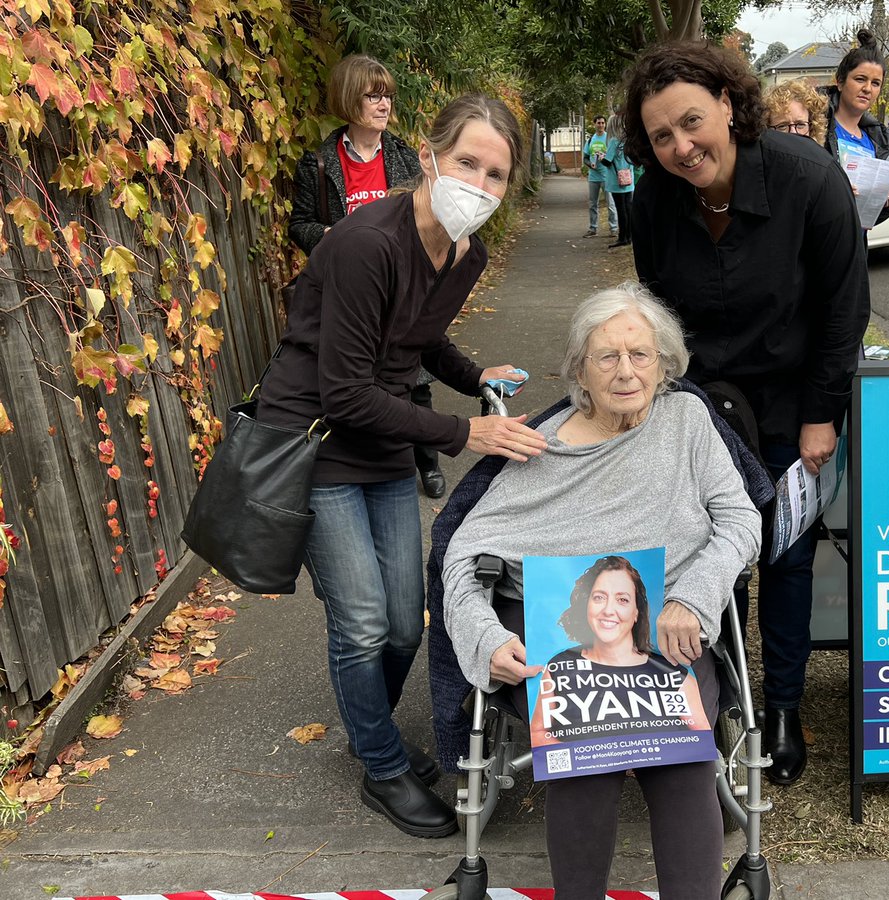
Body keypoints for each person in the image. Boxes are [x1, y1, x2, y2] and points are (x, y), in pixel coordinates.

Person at [258, 93, 548, 838]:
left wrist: (478, 375)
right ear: (428, 156)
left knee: (405, 626)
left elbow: (417, 338)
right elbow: (345, 390)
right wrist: (466, 430)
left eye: (495, 174)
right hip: (317, 437)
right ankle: (382, 766)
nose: (479, 186)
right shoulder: (366, 242)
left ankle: (369, 732)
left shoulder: (466, 252)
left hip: (383, 438)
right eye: (466, 164)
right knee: (360, 624)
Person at [442, 283, 761, 899]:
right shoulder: (541, 449)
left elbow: (741, 519)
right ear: (578, 371)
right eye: (606, 357)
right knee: (583, 767)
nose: (626, 372)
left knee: (686, 763)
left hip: (667, 624)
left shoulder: (688, 421)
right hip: (559, 636)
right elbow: (461, 550)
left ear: (664, 364)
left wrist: (693, 596)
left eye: (641, 355)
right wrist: (484, 638)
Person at [624, 40, 870, 786]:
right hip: (702, 410)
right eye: (661, 135)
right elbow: (657, 310)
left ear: (730, 104)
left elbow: (843, 310)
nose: (681, 146)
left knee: (786, 558)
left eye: (691, 122)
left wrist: (822, 416)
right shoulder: (656, 198)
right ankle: (720, 698)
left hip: (795, 405)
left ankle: (784, 706)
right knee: (708, 556)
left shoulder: (810, 181)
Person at [287, 54, 447, 498]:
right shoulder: (319, 164)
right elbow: (299, 224)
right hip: (350, 292)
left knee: (413, 380)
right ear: (348, 98)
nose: (383, 104)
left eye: (387, 96)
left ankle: (428, 462)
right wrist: (334, 235)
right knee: (362, 383)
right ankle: (359, 462)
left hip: (400, 287)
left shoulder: (401, 156)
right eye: (372, 95)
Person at [529, 556, 708, 745]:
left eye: (622, 600)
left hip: (667, 759)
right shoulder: (560, 668)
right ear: (586, 605)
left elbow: (700, 739)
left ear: (637, 611)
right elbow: (539, 733)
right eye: (599, 597)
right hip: (585, 764)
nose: (608, 610)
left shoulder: (672, 673)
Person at [821, 30, 889, 225]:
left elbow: (863, 217)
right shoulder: (816, 127)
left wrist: (885, 202)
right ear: (840, 82)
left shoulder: (876, 140)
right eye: (860, 79)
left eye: (875, 83)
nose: (867, 89)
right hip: (816, 246)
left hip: (856, 249)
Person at [599, 114, 635, 248]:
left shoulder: (614, 141)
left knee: (621, 210)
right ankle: (630, 236)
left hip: (616, 181)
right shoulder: (628, 141)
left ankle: (622, 237)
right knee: (629, 209)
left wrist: (600, 157)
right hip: (628, 180)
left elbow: (607, 161)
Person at [583, 114, 619, 237]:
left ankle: (613, 228)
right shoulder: (590, 140)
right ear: (595, 124)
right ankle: (593, 228)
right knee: (593, 203)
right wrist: (590, 165)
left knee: (611, 203)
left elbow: (613, 156)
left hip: (606, 176)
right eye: (598, 123)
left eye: (603, 123)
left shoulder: (609, 138)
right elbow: (585, 158)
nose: (601, 125)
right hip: (593, 177)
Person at [764, 79, 828, 147]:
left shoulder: (821, 156)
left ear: (812, 128)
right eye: (782, 126)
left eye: (800, 124)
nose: (793, 132)